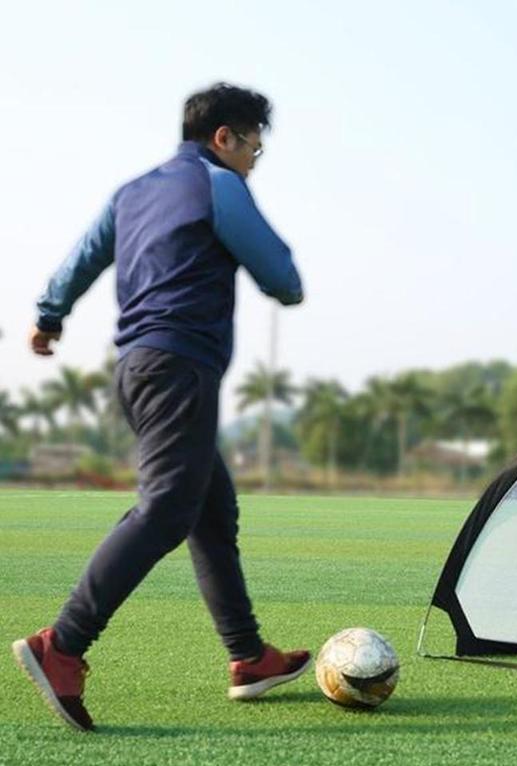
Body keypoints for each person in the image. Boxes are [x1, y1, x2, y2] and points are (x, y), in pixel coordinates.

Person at [12, 82, 311, 733]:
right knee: (169, 506)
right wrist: (286, 279)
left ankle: (249, 656)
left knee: (211, 510)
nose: (254, 161)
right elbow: (282, 278)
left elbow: (80, 260)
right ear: (224, 137)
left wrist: (49, 318)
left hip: (137, 367)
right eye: (254, 148)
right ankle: (62, 644)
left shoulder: (130, 193)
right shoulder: (218, 184)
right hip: (181, 366)